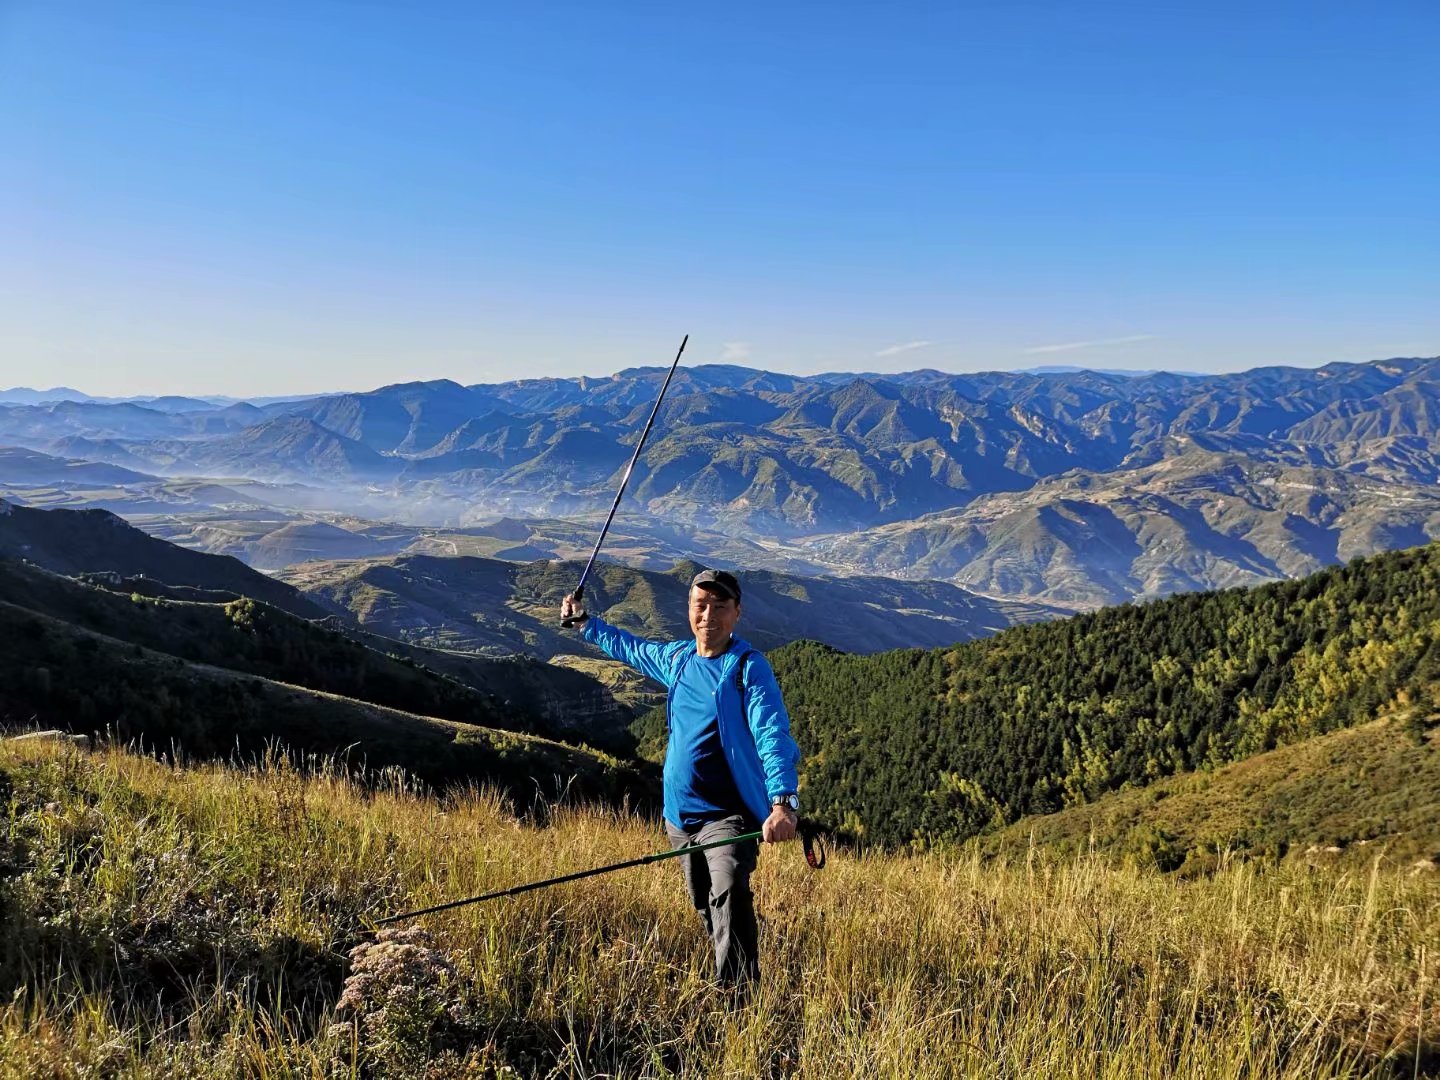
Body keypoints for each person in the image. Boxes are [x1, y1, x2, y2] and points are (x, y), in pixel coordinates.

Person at [561, 568, 802, 993]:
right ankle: (733, 959)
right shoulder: (679, 659)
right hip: (678, 815)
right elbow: (634, 649)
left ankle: (739, 1001)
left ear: (737, 612)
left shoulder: (747, 668)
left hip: (728, 815)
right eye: (700, 605)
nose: (709, 616)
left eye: (720, 606)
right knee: (705, 903)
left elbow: (772, 733)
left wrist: (783, 801)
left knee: (729, 890)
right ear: (689, 609)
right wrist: (585, 623)